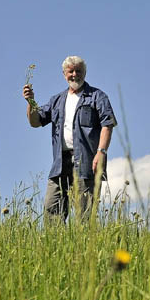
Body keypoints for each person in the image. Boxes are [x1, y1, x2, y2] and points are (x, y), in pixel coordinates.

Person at [22, 56, 117, 223]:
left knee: (85, 216)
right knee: (52, 212)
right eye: (70, 71)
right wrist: (30, 101)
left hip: (87, 163)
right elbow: (35, 122)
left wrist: (101, 152)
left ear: (85, 73)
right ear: (64, 74)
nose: (75, 74)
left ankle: (85, 248)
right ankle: (55, 247)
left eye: (78, 71)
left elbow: (107, 125)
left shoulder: (97, 96)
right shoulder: (57, 100)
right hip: (60, 164)